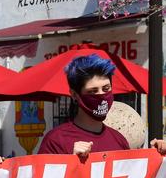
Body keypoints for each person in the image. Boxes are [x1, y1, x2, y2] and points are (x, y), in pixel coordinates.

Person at [38, 54, 166, 157]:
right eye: (93, 91)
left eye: (106, 88)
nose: (101, 95)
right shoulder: (56, 140)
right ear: (75, 94)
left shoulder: (119, 140)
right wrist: (69, 163)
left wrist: (155, 156)